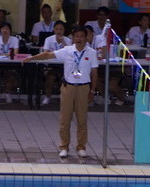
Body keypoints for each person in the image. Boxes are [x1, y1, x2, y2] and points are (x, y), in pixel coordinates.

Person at [26, 25, 97, 160]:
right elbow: (48, 55)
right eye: (77, 36)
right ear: (73, 38)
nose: (79, 39)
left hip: (83, 88)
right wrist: (32, 58)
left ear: (86, 38)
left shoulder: (91, 53)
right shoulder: (67, 51)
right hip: (68, 87)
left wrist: (92, 90)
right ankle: (64, 146)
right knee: (65, 119)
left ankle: (81, 147)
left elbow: (94, 73)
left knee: (82, 119)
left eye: (82, 36)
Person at [39, 21, 71, 106]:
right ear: (54, 30)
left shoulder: (68, 40)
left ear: (64, 30)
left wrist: (63, 42)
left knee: (66, 78)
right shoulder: (48, 39)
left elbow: (69, 54)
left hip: (64, 66)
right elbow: (46, 53)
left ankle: (64, 98)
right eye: (57, 29)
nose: (58, 31)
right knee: (50, 77)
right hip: (51, 65)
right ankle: (47, 97)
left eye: (61, 29)